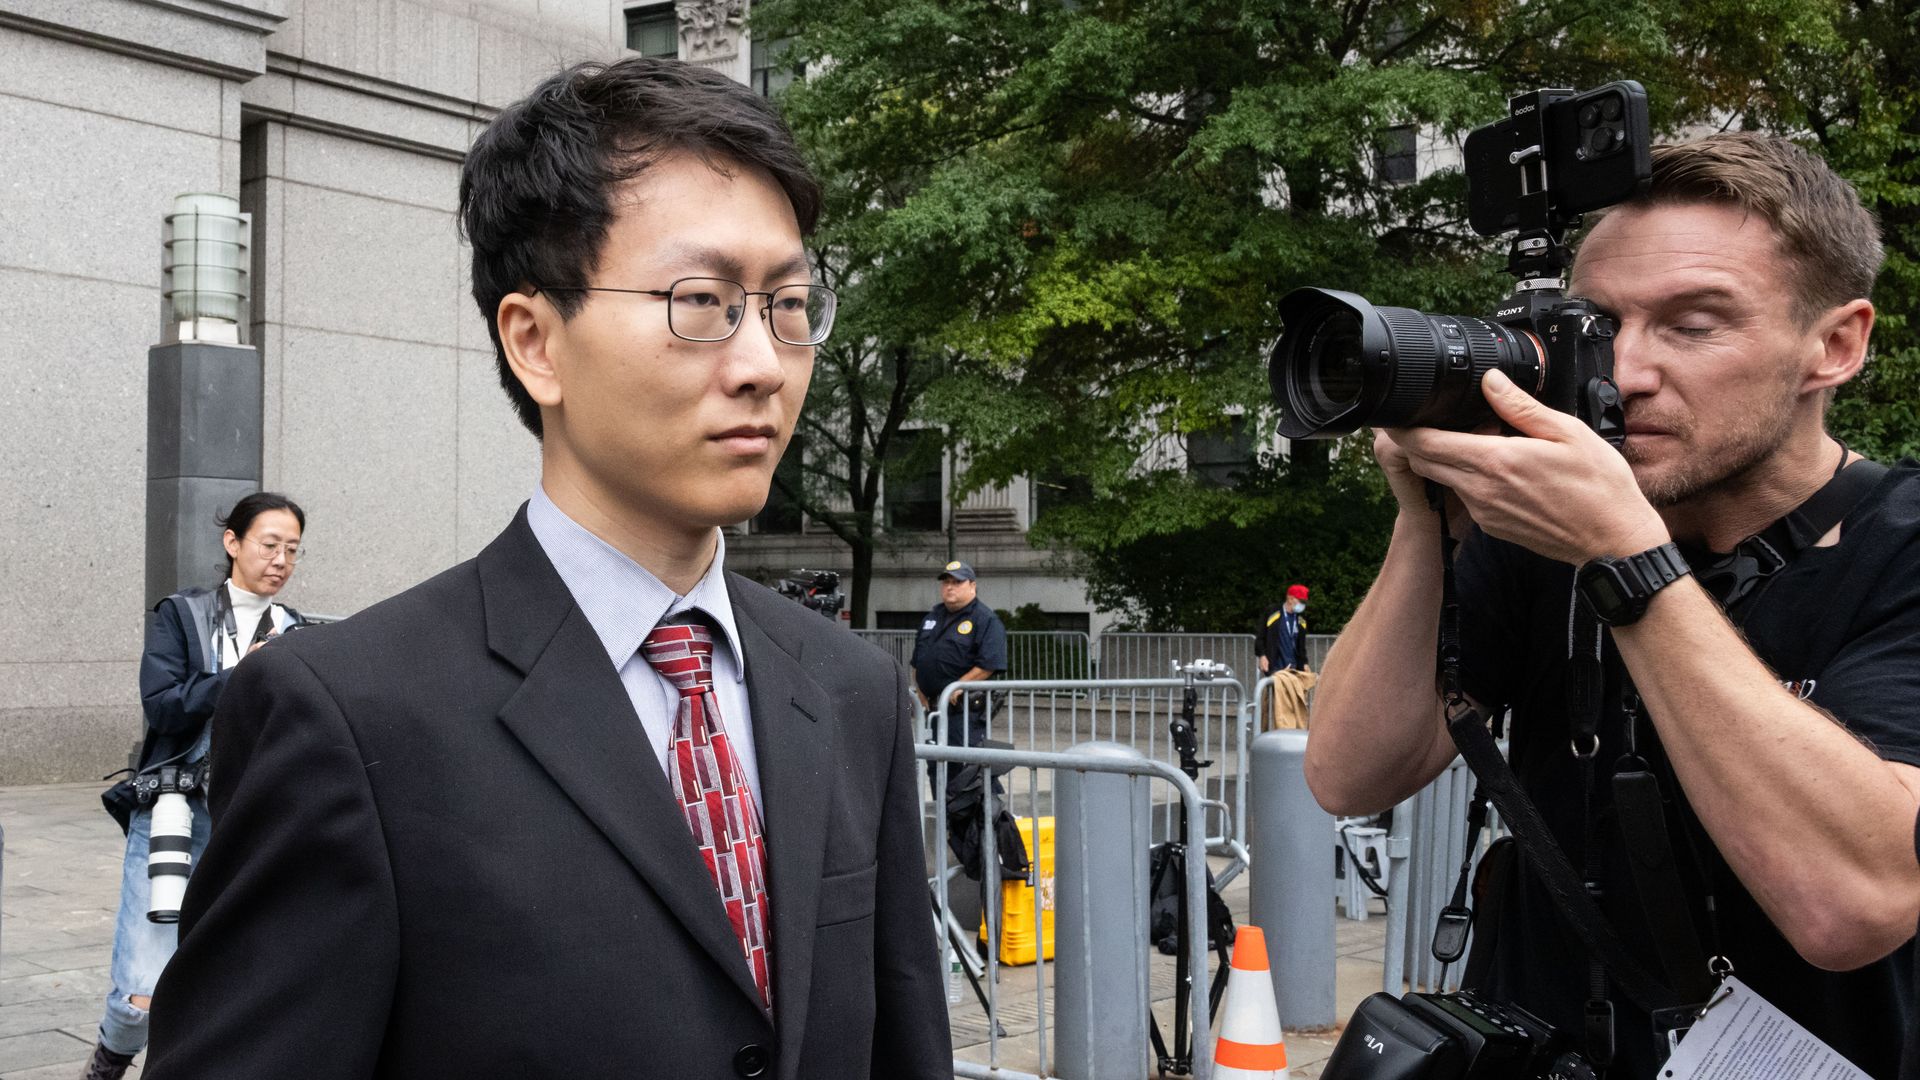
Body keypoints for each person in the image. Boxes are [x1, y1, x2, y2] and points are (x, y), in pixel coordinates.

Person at [144, 58, 949, 1079]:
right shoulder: (348, 719)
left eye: (787, 304)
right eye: (702, 300)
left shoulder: (852, 690)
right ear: (535, 342)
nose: (762, 362)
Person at [1306, 132, 1920, 1077]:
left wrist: (1626, 556)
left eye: (1693, 325)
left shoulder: (1898, 548)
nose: (1624, 374)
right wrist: (1429, 518)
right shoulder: (1541, 529)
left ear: (1834, 345)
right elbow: (1350, 775)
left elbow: (1854, 905)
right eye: (1595, 327)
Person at [83, 492, 306, 1080]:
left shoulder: (297, 630)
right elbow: (162, 706)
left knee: (236, 980)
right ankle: (108, 1061)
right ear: (232, 542)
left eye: (292, 550)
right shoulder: (182, 615)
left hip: (253, 820)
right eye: (270, 545)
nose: (281, 561)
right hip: (173, 812)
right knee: (141, 992)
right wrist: (244, 673)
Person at [909, 560, 1008, 755]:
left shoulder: (985, 619)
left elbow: (988, 664)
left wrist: (958, 686)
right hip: (932, 709)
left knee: (963, 766)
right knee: (935, 764)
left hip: (962, 711)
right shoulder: (932, 617)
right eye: (946, 582)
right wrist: (919, 690)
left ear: (972, 586)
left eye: (957, 582)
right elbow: (918, 659)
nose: (950, 587)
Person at [1256, 585, 1315, 729]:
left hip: (1294, 669)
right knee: (1276, 706)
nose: (1303, 605)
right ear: (1290, 598)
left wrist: (1304, 663)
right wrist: (1262, 655)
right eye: (1301, 601)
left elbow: (1301, 647)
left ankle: (1294, 731)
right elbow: (1260, 636)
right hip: (1276, 668)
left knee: (1294, 705)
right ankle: (1274, 731)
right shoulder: (1273, 613)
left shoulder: (1301, 620)